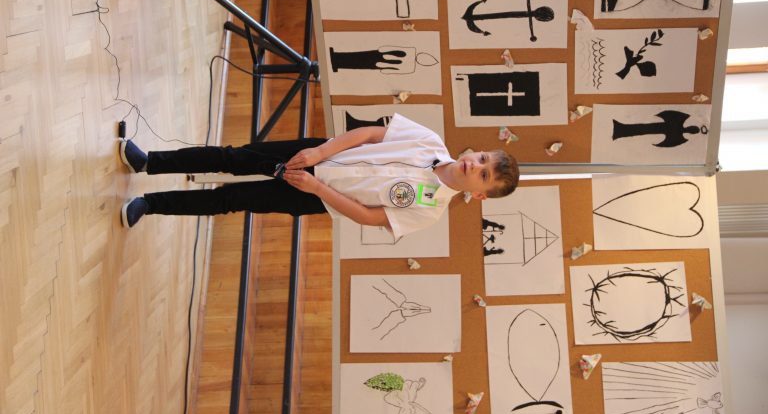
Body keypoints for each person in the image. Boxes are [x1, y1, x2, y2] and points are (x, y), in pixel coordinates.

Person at [119, 113, 519, 240]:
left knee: (232, 200)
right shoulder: (429, 140)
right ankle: (148, 162)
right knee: (233, 158)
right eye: (481, 158)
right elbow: (370, 134)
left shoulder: (430, 211)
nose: (474, 165)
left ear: (481, 194)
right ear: (476, 150)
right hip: (317, 153)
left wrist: (316, 187)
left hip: (314, 196)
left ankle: (150, 205)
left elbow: (368, 216)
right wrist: (320, 153)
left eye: (483, 174)